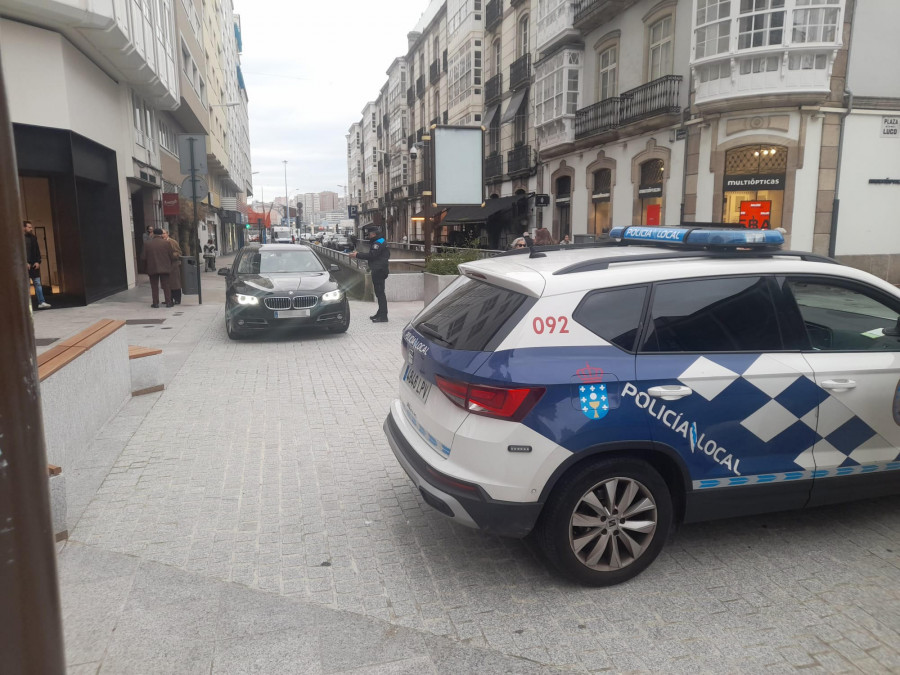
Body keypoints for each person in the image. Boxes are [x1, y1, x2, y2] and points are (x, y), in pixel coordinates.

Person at [350, 224, 390, 322]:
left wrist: (357, 255)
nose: (368, 236)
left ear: (373, 234)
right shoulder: (380, 240)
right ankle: (380, 313)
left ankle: (383, 316)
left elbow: (372, 255)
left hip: (379, 270)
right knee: (379, 293)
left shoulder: (378, 243)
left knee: (380, 294)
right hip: (379, 269)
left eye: (369, 234)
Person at [141, 228, 173, 308]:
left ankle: (155, 303)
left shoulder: (147, 244)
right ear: (161, 234)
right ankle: (168, 302)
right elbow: (171, 256)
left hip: (152, 267)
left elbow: (143, 257)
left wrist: (145, 267)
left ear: (153, 234)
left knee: (154, 286)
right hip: (165, 268)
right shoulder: (167, 243)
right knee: (166, 285)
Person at [23, 220, 51, 309]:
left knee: (38, 283)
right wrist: (24, 262)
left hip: (34, 265)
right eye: (29, 227)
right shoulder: (19, 239)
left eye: (31, 227)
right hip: (24, 266)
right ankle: (27, 305)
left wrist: (38, 261)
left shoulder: (33, 238)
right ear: (24, 228)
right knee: (25, 286)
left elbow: (37, 251)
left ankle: (41, 302)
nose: (31, 229)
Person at [162, 230, 183, 304]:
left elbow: (179, 252)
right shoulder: (161, 242)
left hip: (173, 265)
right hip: (164, 266)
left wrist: (170, 255)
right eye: (161, 233)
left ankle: (177, 299)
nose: (163, 235)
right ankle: (169, 299)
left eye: (164, 233)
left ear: (167, 234)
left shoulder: (173, 242)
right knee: (166, 283)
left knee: (175, 283)